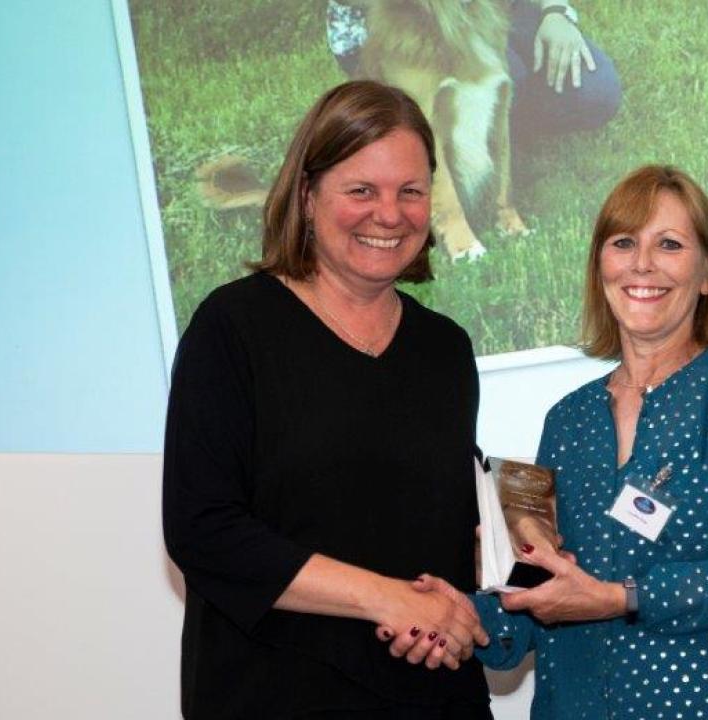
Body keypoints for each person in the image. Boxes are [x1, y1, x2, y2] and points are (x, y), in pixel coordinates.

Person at [162, 80, 492, 718]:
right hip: (272, 694)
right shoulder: (233, 328)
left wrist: (461, 602)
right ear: (308, 197)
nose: (390, 214)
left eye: (412, 191)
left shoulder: (444, 348)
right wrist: (384, 598)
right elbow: (203, 531)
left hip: (429, 696)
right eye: (361, 190)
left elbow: (440, 523)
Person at [468, 166, 708, 718]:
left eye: (669, 244)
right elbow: (532, 608)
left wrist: (620, 597)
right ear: (600, 266)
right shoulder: (567, 419)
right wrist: (460, 612)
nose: (642, 264)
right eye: (623, 242)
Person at [327, 0, 621, 140]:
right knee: (505, 78)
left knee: (595, 92)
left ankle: (492, 136)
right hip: (394, 23)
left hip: (484, 10)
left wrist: (556, 12)